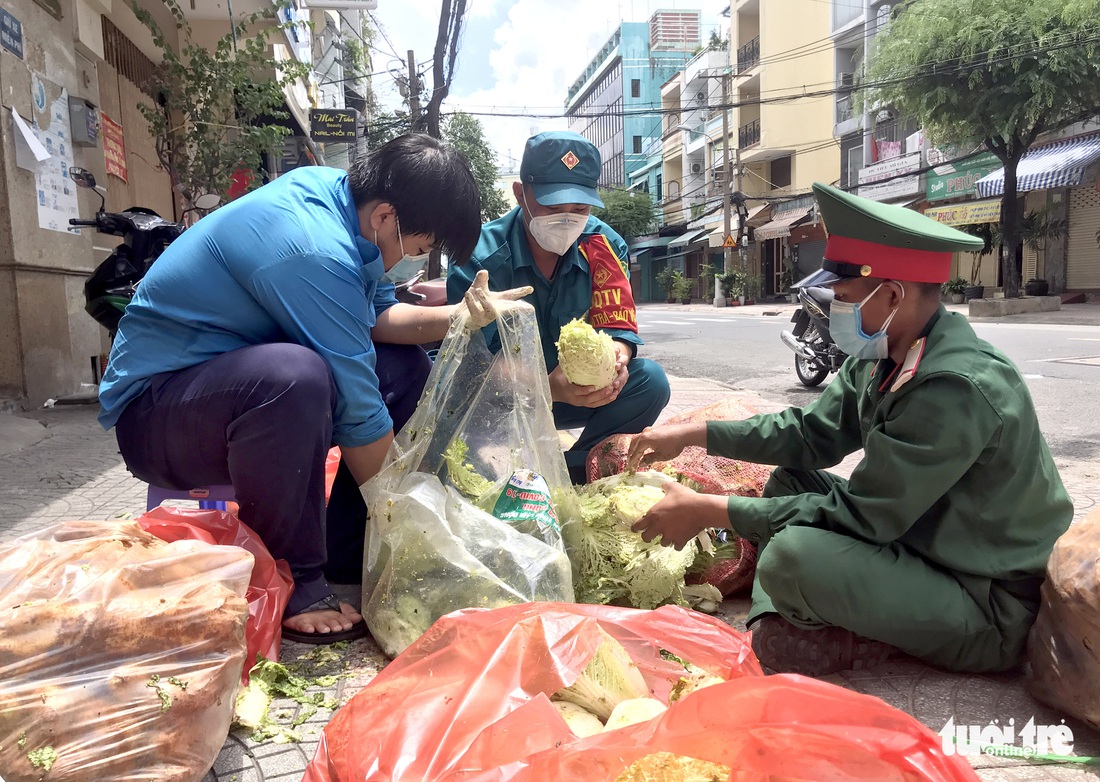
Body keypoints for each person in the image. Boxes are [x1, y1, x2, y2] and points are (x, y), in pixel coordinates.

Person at [97, 134, 531, 644]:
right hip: (159, 416)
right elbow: (358, 409)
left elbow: (375, 318)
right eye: (417, 249)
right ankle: (294, 578)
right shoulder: (310, 248)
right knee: (297, 377)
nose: (410, 261)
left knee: (403, 367)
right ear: (387, 217)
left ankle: (348, 552)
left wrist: (459, 316)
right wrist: (410, 523)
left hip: (226, 392)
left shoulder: (342, 200)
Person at [626, 182, 1073, 676]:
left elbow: (864, 516)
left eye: (842, 297)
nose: (835, 308)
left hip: (984, 600)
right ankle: (785, 620)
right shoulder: (886, 352)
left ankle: (835, 629)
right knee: (791, 479)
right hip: (922, 542)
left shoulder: (954, 386)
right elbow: (809, 434)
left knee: (792, 557)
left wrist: (712, 510)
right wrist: (695, 434)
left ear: (891, 296)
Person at [447, 131, 670, 483]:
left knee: (650, 382)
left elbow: (618, 327)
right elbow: (473, 363)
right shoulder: (478, 256)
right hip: (504, 398)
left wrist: (617, 360)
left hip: (580, 394)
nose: (567, 219)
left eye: (579, 209)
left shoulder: (605, 246)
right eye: (552, 207)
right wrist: (547, 386)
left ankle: (575, 470)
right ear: (521, 193)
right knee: (453, 406)